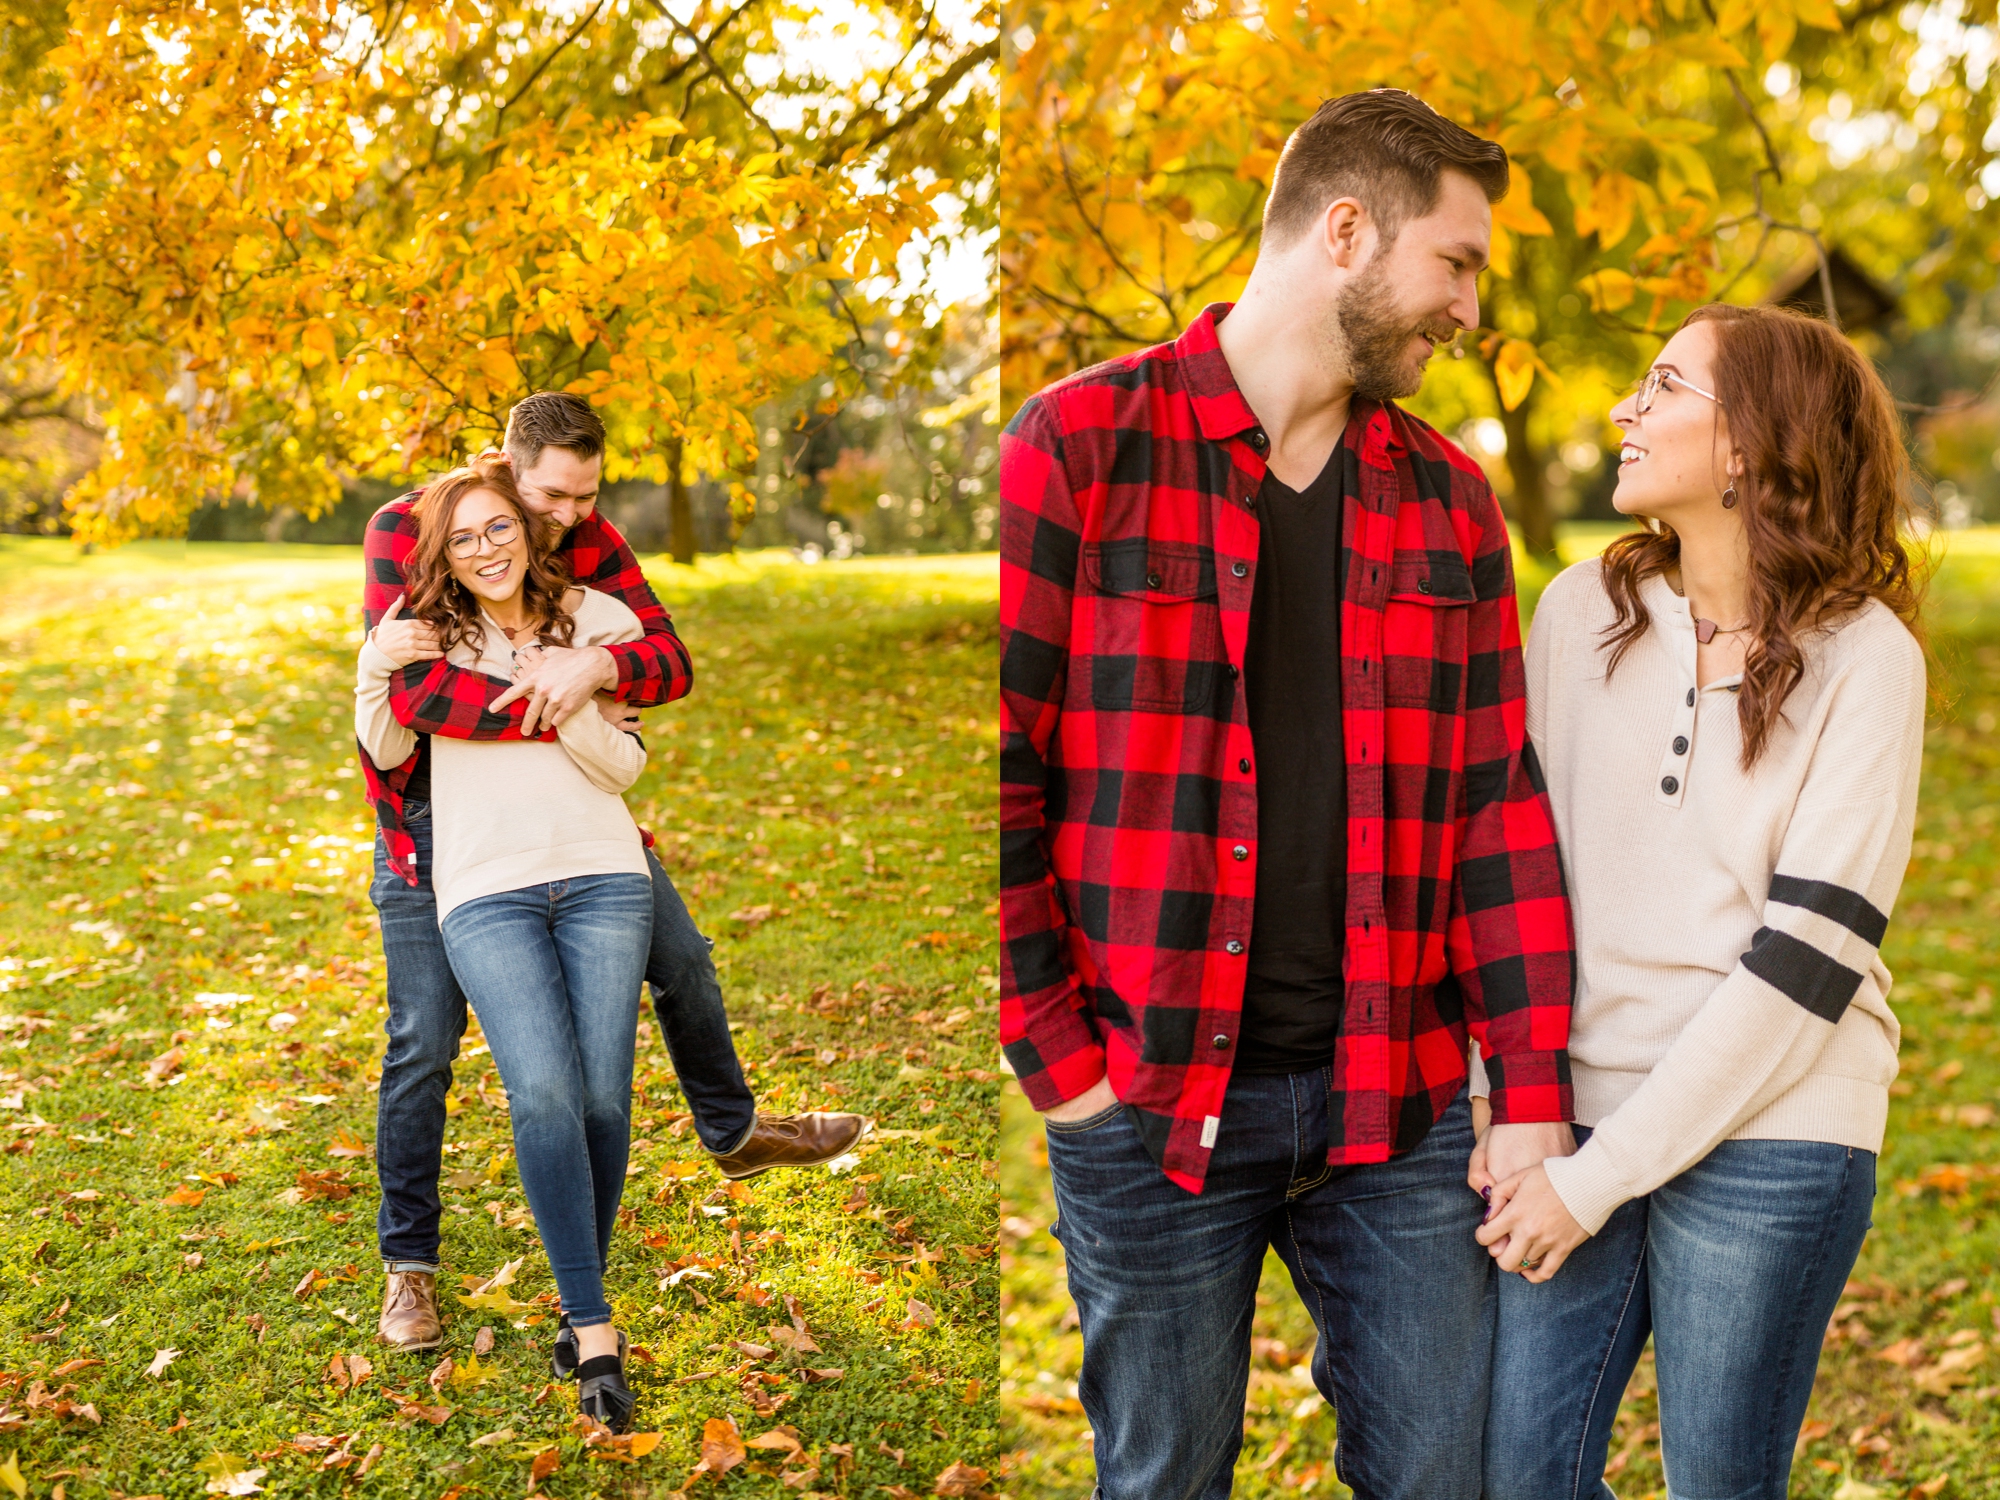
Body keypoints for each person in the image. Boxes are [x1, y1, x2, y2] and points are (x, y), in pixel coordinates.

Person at [998, 89, 1577, 1499]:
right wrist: (1059, 1061)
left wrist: (1534, 1090)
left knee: (1441, 1477)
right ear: (1345, 230)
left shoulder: (1452, 502)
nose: (1467, 306)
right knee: (1165, 1479)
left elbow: (1500, 807)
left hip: (1404, 1105)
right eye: (1459, 262)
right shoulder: (1080, 447)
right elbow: (1007, 778)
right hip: (1149, 1096)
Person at [1473, 303, 1927, 1499]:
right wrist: (1505, 1102)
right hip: (1576, 1101)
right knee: (1519, 1473)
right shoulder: (1579, 614)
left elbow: (1803, 967)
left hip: (1778, 1119)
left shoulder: (1866, 658)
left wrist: (1595, 1176)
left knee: (1719, 1483)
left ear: (1744, 445)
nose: (1624, 409)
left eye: (1662, 386)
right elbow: (1512, 871)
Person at [361, 392, 865, 1354]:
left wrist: (595, 674)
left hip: (573, 812)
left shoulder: (587, 539)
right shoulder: (413, 526)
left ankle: (731, 1134)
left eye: (588, 495)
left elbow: (668, 661)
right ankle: (410, 1268)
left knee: (684, 961)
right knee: (424, 1043)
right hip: (432, 824)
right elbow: (415, 689)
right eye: (556, 494)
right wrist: (556, 696)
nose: (575, 516)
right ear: (507, 465)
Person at [357, 456, 655, 1429]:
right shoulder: (427, 640)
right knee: (537, 1088)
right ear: (441, 551)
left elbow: (625, 764)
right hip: (478, 883)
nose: (487, 547)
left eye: (502, 529)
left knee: (603, 1101)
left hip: (606, 875)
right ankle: (591, 1323)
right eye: (464, 536)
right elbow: (395, 741)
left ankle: (579, 1293)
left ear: (531, 532)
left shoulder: (598, 624)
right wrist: (374, 666)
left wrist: (566, 693)